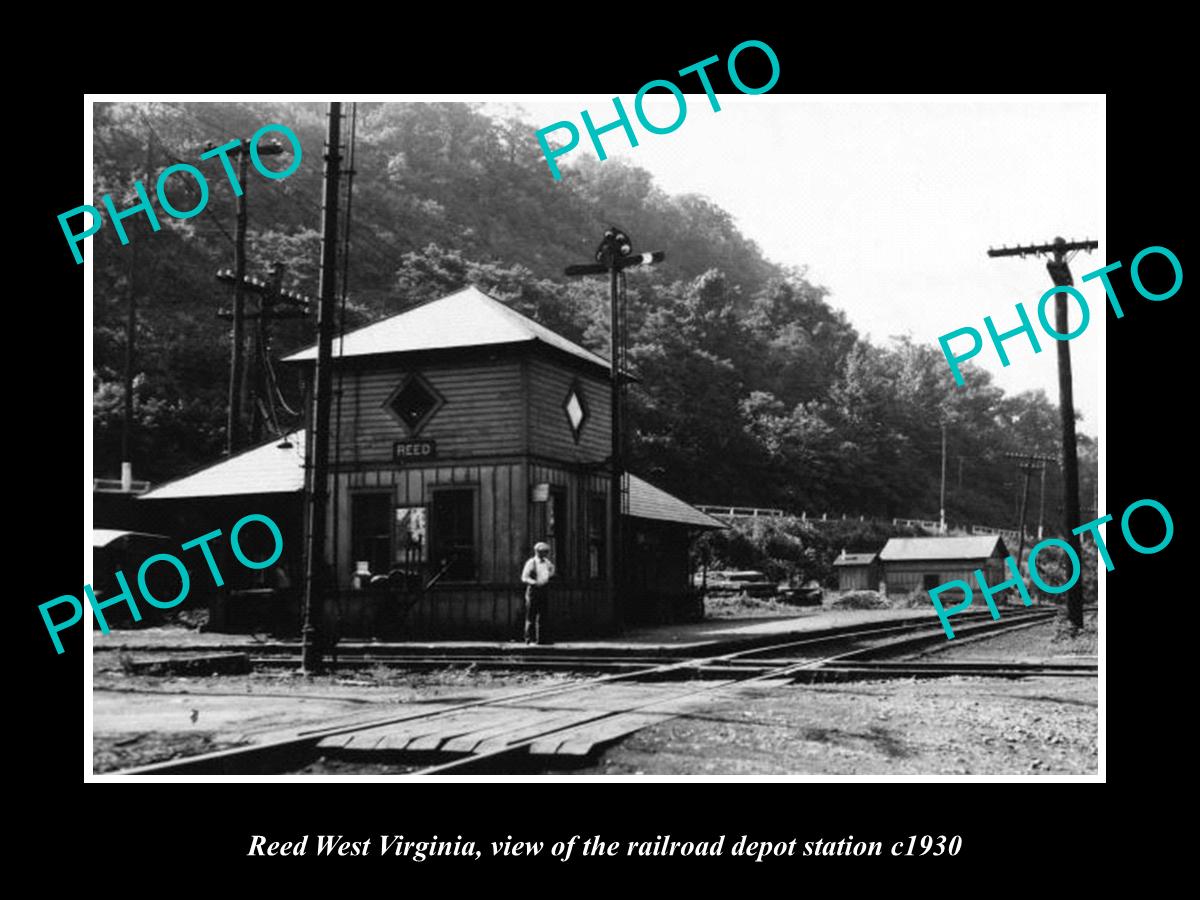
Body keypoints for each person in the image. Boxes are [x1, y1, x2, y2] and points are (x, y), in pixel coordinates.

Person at [521, 541, 555, 645]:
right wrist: (535, 583)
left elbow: (552, 569)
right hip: (534, 590)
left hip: (544, 589)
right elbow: (524, 577)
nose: (545, 554)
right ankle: (529, 639)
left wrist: (548, 576)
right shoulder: (531, 562)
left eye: (546, 552)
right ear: (537, 552)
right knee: (531, 615)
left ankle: (542, 639)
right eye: (543, 552)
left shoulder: (547, 562)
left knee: (543, 615)